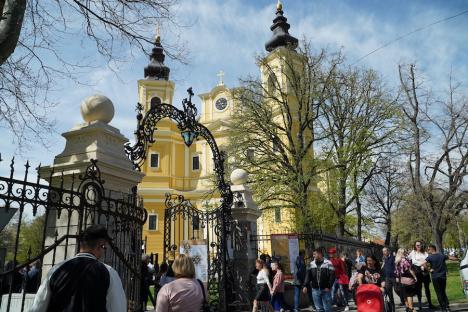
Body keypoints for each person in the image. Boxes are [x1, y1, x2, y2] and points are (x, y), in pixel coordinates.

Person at [30, 224, 126, 312]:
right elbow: (118, 308)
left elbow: (38, 306)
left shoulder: (56, 269)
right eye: (104, 248)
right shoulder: (108, 272)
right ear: (101, 245)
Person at [423, 244, 457, 312]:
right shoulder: (441, 255)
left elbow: (423, 264)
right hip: (443, 276)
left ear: (432, 249)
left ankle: (443, 308)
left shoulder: (430, 257)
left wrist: (429, 270)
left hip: (435, 277)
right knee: (443, 291)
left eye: (429, 249)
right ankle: (446, 305)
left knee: (438, 292)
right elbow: (451, 258)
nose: (428, 250)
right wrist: (458, 259)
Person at [303, 248, 335, 312]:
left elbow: (332, 276)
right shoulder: (311, 264)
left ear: (320, 254)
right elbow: (308, 276)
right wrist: (305, 285)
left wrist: (328, 286)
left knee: (327, 309)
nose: (313, 256)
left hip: (325, 289)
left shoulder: (328, 263)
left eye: (315, 254)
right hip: (315, 290)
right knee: (319, 309)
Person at [409, 240, 433, 310]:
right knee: (418, 289)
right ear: (415, 246)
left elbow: (428, 261)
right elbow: (409, 260)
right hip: (417, 272)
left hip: (425, 272)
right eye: (417, 245)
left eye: (419, 245)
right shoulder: (413, 252)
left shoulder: (425, 253)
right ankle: (420, 304)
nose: (418, 246)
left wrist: (423, 263)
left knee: (427, 288)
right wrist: (421, 262)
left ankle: (430, 303)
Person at [382, 247, 403, 311]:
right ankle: (393, 308)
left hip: (394, 277)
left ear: (388, 251)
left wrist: (397, 276)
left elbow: (397, 267)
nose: (384, 252)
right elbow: (384, 265)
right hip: (387, 277)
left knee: (397, 290)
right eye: (383, 251)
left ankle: (403, 298)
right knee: (389, 293)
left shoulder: (393, 257)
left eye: (385, 251)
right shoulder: (384, 258)